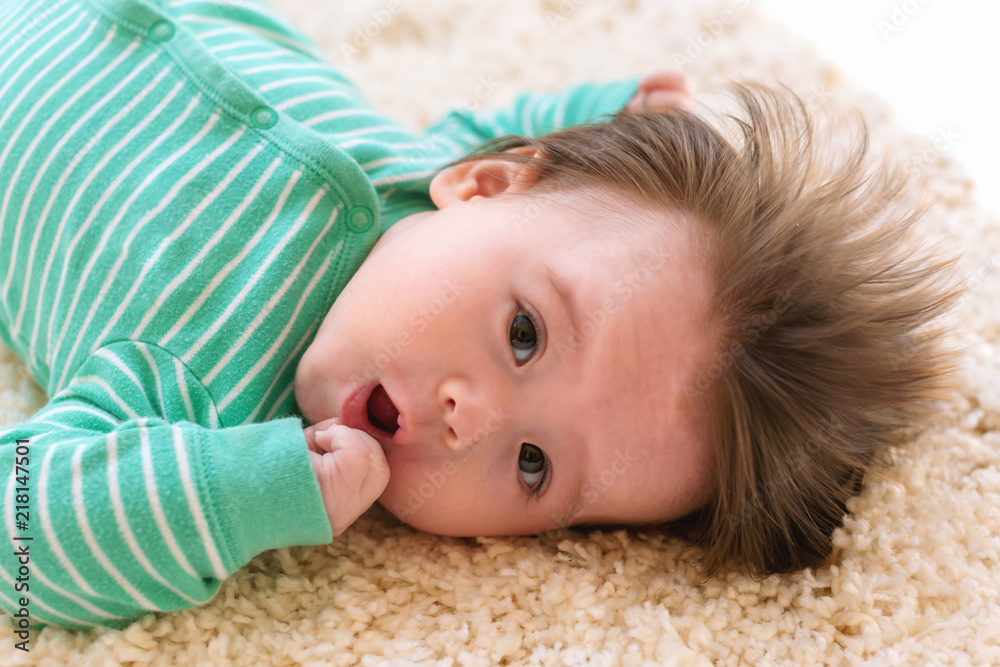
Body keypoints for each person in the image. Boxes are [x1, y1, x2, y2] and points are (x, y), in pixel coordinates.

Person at [0, 0, 959, 631]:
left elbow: (24, 532)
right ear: (487, 184)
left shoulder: (199, 391)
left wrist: (238, 493)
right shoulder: (433, 172)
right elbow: (532, 142)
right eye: (525, 335)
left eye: (535, 467)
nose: (477, 420)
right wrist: (627, 108)